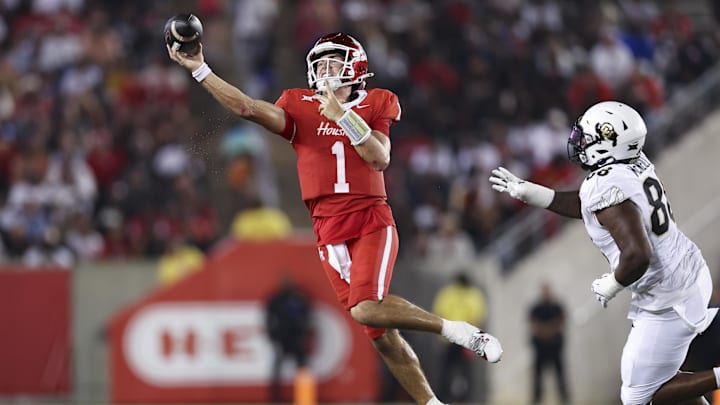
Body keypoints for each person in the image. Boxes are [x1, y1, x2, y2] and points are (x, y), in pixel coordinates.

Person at [168, 32, 502, 405]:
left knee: (365, 307)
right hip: (326, 228)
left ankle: (459, 332)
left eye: (333, 62)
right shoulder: (299, 104)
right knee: (380, 334)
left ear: (356, 67)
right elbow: (247, 107)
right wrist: (200, 69)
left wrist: (343, 116)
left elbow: (379, 157)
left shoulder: (376, 102)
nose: (325, 70)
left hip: (369, 217)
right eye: (320, 63)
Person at [489, 100, 720, 405]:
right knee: (674, 367)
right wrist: (535, 194)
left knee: (639, 395)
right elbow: (591, 206)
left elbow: (638, 254)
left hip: (667, 298)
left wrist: (613, 283)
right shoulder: (632, 162)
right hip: (689, 273)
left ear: (608, 142)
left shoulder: (606, 185)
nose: (579, 143)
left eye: (587, 137)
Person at [432, 272, 488, 402]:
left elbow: (439, 314)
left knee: (448, 370)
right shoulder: (473, 294)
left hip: (450, 337)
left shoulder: (447, 293)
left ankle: (443, 398)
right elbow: (477, 318)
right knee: (463, 372)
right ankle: (465, 399)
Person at [265, 274, 313, 403]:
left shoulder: (298, 298)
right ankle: (275, 398)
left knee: (302, 368)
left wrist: (304, 334)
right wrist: (272, 335)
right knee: (278, 368)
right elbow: (268, 318)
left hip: (296, 337)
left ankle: (304, 398)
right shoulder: (276, 299)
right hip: (282, 338)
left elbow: (306, 316)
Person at [528, 282, 569, 404]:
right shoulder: (536, 308)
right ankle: (537, 399)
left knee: (560, 374)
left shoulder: (557, 307)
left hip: (555, 346)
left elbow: (562, 320)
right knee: (538, 376)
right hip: (540, 347)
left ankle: (564, 398)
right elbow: (533, 323)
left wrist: (548, 330)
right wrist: (545, 331)